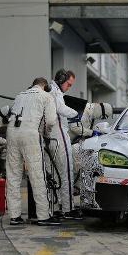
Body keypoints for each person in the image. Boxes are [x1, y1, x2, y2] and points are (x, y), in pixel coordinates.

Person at [6, 78, 59, 226]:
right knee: (37, 175)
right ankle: (43, 216)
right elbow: (50, 121)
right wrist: (46, 134)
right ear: (45, 86)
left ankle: (14, 216)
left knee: (13, 176)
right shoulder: (47, 96)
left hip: (12, 133)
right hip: (30, 134)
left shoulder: (20, 95)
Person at [48, 69, 83, 220]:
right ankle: (68, 209)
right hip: (59, 134)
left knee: (55, 173)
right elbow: (61, 109)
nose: (69, 87)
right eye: (68, 84)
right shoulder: (55, 93)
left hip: (51, 136)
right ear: (62, 80)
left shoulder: (50, 90)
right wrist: (77, 113)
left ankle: (59, 205)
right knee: (66, 171)